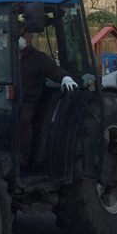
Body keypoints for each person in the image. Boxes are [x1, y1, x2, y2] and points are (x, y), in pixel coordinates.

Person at [18, 28, 77, 173]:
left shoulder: (38, 58)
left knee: (23, 119)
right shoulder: (5, 56)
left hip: (29, 101)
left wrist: (65, 77)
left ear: (29, 37)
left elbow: (52, 70)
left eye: (22, 34)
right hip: (6, 99)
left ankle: (22, 161)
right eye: (16, 34)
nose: (19, 37)